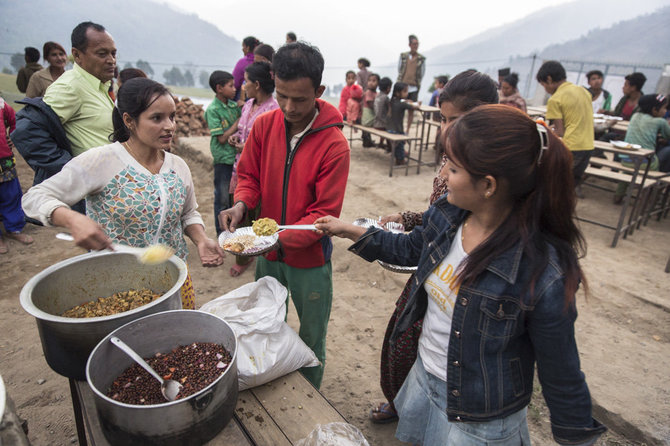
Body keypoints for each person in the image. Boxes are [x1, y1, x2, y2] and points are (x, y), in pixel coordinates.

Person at [315, 104, 607, 446]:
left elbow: (562, 373)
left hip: (479, 416)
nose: (443, 177)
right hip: (426, 381)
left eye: (452, 168)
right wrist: (351, 231)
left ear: (488, 185)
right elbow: (411, 249)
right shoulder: (448, 215)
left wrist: (575, 438)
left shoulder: (541, 271)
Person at [22, 78, 224, 309]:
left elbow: (188, 213)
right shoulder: (102, 161)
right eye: (157, 118)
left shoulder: (178, 166)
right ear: (129, 120)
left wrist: (201, 239)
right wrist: (72, 218)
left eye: (172, 117)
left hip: (175, 280)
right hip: (119, 286)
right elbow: (34, 197)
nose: (169, 126)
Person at [218, 42, 350, 389]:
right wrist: (242, 204)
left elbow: (323, 213)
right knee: (265, 323)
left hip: (308, 258)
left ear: (319, 92)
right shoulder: (264, 126)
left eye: (300, 99)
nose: (289, 108)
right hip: (268, 254)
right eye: (282, 96)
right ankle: (270, 380)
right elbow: (249, 177)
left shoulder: (334, 145)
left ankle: (310, 396)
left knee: (311, 333)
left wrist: (275, 237)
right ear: (273, 83)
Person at [373, 70, 498, 424]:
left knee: (440, 356)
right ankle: (403, 404)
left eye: (455, 120)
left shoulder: (490, 171)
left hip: (455, 275)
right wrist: (411, 218)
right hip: (431, 264)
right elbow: (438, 215)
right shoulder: (450, 158)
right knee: (402, 347)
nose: (445, 130)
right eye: (442, 119)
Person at [227, 61, 279, 277]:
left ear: (257, 84)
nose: (243, 85)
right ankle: (243, 256)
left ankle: (260, 253)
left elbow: (273, 144)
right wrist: (236, 138)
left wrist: (246, 147)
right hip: (240, 168)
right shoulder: (248, 105)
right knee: (240, 214)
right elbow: (244, 131)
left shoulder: (274, 110)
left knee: (258, 216)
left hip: (260, 171)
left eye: (246, 81)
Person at [43, 21, 116, 157]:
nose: (111, 60)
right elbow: (32, 133)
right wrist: (66, 168)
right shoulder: (68, 87)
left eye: (113, 53)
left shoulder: (99, 85)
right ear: (77, 55)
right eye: (102, 54)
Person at [537, 60, 593, 193]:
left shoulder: (555, 99)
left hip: (571, 147)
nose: (546, 89)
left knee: (553, 187)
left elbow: (559, 132)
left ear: (549, 79)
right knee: (569, 189)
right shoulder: (583, 91)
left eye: (544, 85)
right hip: (588, 146)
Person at [613, 94, 670, 203]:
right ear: (654, 110)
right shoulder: (660, 122)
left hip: (626, 159)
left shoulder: (635, 116)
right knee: (653, 171)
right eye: (664, 108)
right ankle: (646, 198)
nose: (665, 111)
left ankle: (618, 196)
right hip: (646, 162)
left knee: (627, 172)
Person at [204, 71, 241, 234]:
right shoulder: (212, 110)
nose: (235, 89)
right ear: (219, 88)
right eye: (231, 86)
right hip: (223, 160)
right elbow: (221, 138)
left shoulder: (234, 106)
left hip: (235, 159)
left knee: (234, 197)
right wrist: (237, 123)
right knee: (222, 197)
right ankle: (221, 233)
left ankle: (233, 229)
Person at [0, 96, 34, 254]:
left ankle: (14, 229)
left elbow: (14, 119)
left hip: (4, 158)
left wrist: (13, 135)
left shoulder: (1, 104)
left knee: (11, 193)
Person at [397, 35, 426, 133]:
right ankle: (399, 128)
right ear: (409, 45)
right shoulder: (404, 56)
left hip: (413, 87)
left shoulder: (421, 59)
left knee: (411, 109)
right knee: (400, 107)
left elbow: (422, 73)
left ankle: (408, 129)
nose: (416, 46)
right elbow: (399, 69)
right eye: (414, 44)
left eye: (417, 44)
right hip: (403, 86)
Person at [388, 82, 420, 165]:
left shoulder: (393, 101)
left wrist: (406, 101)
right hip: (397, 130)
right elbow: (414, 107)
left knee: (398, 145)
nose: (407, 93)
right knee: (401, 144)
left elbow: (402, 103)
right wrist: (418, 104)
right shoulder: (402, 104)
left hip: (389, 129)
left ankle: (398, 157)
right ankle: (400, 160)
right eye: (405, 91)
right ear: (398, 93)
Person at [232, 36, 260, 102]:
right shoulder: (261, 61)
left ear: (247, 48)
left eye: (243, 46)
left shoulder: (243, 62)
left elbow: (235, 83)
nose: (242, 49)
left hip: (246, 96)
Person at [361, 73, 380, 148]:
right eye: (369, 80)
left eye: (374, 81)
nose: (371, 82)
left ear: (378, 83)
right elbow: (371, 105)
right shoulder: (368, 92)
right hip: (368, 119)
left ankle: (368, 141)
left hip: (370, 117)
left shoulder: (376, 93)